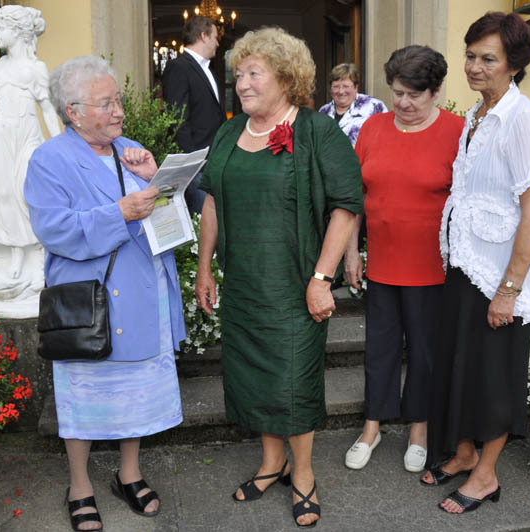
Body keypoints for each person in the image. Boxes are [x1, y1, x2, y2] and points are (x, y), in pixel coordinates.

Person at [194, 27, 363, 528]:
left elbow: (346, 208)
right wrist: (205, 267)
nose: (242, 83)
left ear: (286, 79)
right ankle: (272, 462)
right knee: (252, 377)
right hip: (244, 285)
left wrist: (322, 278)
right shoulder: (229, 133)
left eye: (254, 73)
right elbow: (211, 200)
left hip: (295, 287)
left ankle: (303, 472)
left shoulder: (317, 131)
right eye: (239, 74)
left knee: (294, 380)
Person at [24, 56, 186, 532]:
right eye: (106, 103)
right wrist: (119, 213)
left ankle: (128, 473)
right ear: (73, 112)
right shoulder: (50, 160)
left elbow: (167, 223)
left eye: (118, 100)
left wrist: (157, 179)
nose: (119, 111)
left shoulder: (131, 150)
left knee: (138, 392)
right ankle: (79, 486)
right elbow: (54, 229)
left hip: (145, 290)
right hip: (91, 301)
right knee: (86, 395)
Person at [420, 12, 530, 514]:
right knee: (462, 368)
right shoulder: (479, 113)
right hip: (465, 266)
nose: (474, 66)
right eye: (470, 56)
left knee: (495, 379)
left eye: (488, 59)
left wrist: (509, 289)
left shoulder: (522, 119)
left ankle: (486, 475)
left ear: (514, 64)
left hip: (499, 276)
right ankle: (464, 453)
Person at [342, 46, 464, 474]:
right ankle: (371, 427)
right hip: (382, 261)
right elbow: (354, 197)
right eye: (397, 93)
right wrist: (351, 250)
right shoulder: (373, 128)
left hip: (433, 267)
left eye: (414, 95)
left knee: (425, 351)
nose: (404, 103)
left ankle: (419, 428)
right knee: (379, 349)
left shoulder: (457, 131)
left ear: (436, 91)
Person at [0, 5, 61, 279]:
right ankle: (15, 252)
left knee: (27, 193)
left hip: (27, 136)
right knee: (4, 194)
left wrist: (61, 145)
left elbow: (47, 109)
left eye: (1, 29)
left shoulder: (36, 68)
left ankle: (38, 249)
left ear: (17, 31)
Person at [162, 15, 227, 214]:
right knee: (201, 220)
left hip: (213, 161)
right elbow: (177, 120)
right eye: (215, 37)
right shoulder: (178, 67)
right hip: (196, 166)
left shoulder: (208, 70)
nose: (217, 43)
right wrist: (194, 162)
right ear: (203, 36)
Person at [318, 63, 387, 146]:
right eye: (336, 87)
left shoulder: (374, 106)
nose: (341, 91)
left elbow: (386, 139)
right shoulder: (324, 111)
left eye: (346, 86)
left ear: (356, 87)